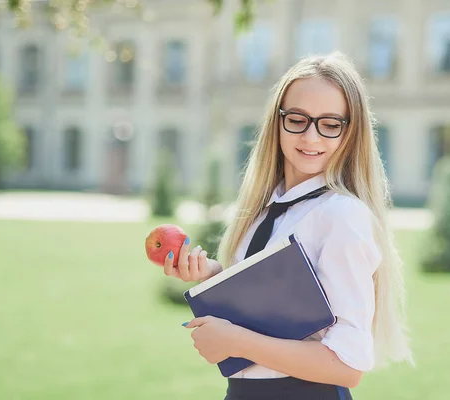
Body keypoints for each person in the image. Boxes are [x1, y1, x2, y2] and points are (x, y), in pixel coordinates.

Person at [162, 51, 414, 400]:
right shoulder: (264, 209)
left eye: (330, 124)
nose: (311, 138)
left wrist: (234, 340)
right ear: (277, 121)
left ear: (350, 133)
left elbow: (347, 365)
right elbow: (277, 310)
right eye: (297, 119)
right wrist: (213, 275)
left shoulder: (342, 216)